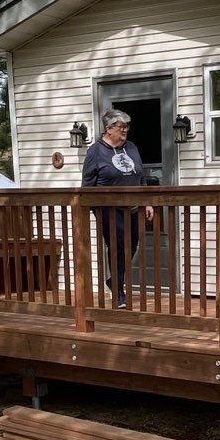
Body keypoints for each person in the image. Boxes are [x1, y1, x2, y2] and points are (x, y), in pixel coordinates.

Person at [82, 108, 155, 307]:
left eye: (126, 127)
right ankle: (118, 291)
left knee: (131, 246)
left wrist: (147, 201)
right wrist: (93, 209)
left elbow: (141, 177)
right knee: (117, 246)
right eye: (121, 127)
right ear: (109, 128)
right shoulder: (95, 151)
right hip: (109, 209)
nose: (125, 130)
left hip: (134, 207)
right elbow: (87, 184)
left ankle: (114, 281)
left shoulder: (131, 147)